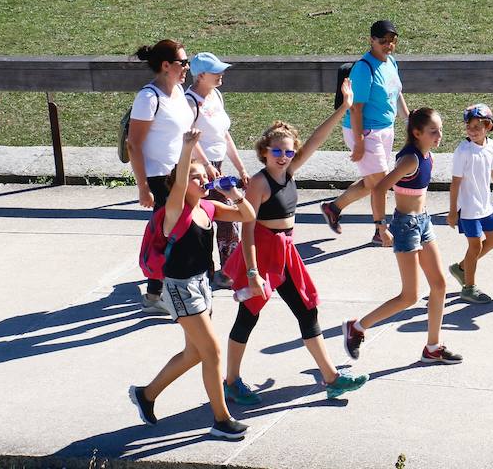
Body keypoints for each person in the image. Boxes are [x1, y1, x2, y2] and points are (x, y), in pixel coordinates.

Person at [222, 79, 368, 403]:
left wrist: (344, 108)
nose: (285, 156)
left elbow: (316, 139)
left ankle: (331, 378)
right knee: (248, 316)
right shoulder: (258, 184)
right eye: (278, 151)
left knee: (307, 312)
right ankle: (231, 381)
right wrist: (251, 272)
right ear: (264, 152)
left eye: (289, 151)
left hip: (286, 252)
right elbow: (246, 228)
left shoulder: (289, 171)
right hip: (261, 254)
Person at [128, 129, 255, 439]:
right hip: (180, 288)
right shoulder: (175, 211)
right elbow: (182, 182)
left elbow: (248, 214)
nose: (201, 181)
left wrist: (232, 191)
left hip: (202, 286)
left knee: (195, 354)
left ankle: (146, 394)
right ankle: (221, 420)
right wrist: (187, 150)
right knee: (212, 352)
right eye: (195, 178)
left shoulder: (208, 208)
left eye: (203, 177)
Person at [343, 108, 463, 364]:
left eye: (440, 129)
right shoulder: (410, 160)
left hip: (423, 222)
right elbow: (379, 189)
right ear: (417, 133)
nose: (439, 135)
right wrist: (380, 225)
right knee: (410, 296)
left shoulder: (426, 154)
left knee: (440, 285)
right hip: (406, 226)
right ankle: (358, 327)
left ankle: (433, 347)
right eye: (433, 131)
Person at [128, 39, 218, 314]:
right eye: (182, 63)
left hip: (184, 173)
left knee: (186, 230)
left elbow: (188, 134)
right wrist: (143, 186)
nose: (187, 68)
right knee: (172, 235)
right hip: (160, 178)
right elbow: (134, 144)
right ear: (166, 66)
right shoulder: (148, 98)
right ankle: (159, 293)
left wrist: (204, 163)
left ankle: (162, 291)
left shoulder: (179, 93)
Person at [320, 20, 409, 246]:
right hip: (365, 131)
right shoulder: (363, 68)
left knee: (373, 183)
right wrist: (359, 142)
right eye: (383, 41)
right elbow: (356, 107)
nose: (388, 45)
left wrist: (409, 121)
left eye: (392, 41)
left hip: (384, 130)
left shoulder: (391, 62)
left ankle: (333, 208)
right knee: (381, 184)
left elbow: (397, 94)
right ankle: (381, 231)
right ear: (371, 40)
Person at [185, 52, 251, 289]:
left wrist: (241, 166)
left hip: (218, 167)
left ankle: (228, 269)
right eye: (216, 71)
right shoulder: (189, 102)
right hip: (199, 171)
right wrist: (207, 166)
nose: (221, 74)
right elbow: (189, 139)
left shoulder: (216, 96)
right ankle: (212, 269)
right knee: (212, 218)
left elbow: (224, 134)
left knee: (227, 218)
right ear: (200, 75)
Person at [447, 104, 493, 304]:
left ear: (488, 126)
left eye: (477, 126)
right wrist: (452, 212)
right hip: (467, 208)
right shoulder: (463, 151)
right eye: (469, 125)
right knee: (474, 247)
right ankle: (469, 288)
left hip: (486, 205)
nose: (472, 130)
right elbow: (455, 183)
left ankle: (461, 268)